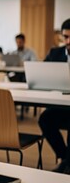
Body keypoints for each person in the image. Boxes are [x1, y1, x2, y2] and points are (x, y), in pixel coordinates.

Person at [39, 19, 70, 174]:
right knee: (45, 119)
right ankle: (65, 158)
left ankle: (67, 163)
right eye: (66, 37)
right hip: (60, 104)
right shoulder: (55, 53)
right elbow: (42, 74)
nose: (68, 41)